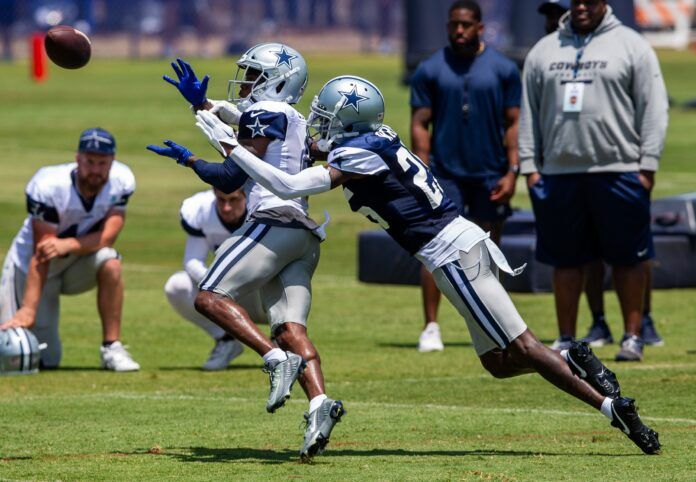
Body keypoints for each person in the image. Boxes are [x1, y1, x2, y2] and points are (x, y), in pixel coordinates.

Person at [189, 75, 661, 455]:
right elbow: (290, 142)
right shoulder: (372, 139)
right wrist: (213, 110)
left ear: (349, 119)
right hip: (454, 249)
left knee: (524, 346)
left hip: (450, 252)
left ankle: (611, 406)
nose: (318, 124)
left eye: (327, 117)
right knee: (499, 363)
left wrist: (228, 147)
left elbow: (289, 185)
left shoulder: (356, 153)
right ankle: (577, 361)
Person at [148, 44, 344, 461]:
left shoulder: (265, 112)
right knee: (291, 330)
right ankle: (318, 404)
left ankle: (275, 361)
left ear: (277, 79)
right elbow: (241, 124)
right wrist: (202, 105)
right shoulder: (292, 117)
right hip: (305, 237)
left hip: (273, 223)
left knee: (208, 296)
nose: (247, 83)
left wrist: (188, 159)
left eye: (253, 75)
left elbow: (228, 174)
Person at [519, 0, 669, 361]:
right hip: (558, 175)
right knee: (566, 262)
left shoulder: (631, 45)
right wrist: (530, 167)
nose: (582, 6)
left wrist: (646, 167)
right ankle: (567, 339)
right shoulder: (545, 49)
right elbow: (529, 110)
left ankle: (632, 336)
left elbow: (654, 106)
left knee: (628, 260)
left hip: (619, 170)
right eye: (576, 1)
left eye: (590, 0)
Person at [410, 0, 521, 352]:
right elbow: (419, 123)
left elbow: (514, 122)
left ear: (480, 27)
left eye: (467, 25)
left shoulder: (503, 68)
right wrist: (423, 169)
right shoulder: (430, 69)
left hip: (490, 172)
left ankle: (498, 326)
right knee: (435, 250)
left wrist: (512, 169)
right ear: (447, 27)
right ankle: (431, 326)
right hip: (445, 175)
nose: (460, 31)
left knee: (490, 249)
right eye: (454, 25)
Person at [0, 128, 140, 372]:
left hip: (77, 262)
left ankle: (111, 347)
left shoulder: (121, 182)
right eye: (89, 162)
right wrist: (28, 309)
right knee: (24, 354)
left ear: (112, 162)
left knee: (111, 261)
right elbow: (42, 252)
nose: (95, 170)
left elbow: (108, 237)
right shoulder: (48, 185)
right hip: (31, 265)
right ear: (78, 159)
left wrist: (69, 244)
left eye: (102, 163)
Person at [164, 188, 268, 370]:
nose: (226, 208)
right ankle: (226, 339)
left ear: (246, 195)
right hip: (227, 293)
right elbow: (192, 260)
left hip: (264, 294)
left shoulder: (265, 207)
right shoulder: (201, 210)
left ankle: (282, 338)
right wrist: (216, 283)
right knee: (177, 286)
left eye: (233, 200)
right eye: (221, 200)